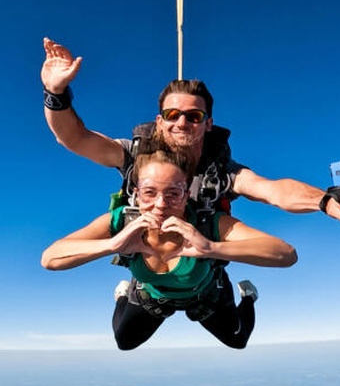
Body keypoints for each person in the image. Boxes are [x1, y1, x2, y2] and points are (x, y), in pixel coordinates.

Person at [41, 37, 340, 222]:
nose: (182, 122)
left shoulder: (222, 171)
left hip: (203, 263)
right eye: (172, 114)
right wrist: (56, 94)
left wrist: (326, 199)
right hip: (153, 263)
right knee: (127, 337)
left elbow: (273, 190)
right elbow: (73, 137)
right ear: (159, 121)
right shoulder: (134, 154)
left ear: (208, 123)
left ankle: (241, 296)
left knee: (234, 335)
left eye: (194, 116)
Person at [41, 142, 297, 350]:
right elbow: (50, 259)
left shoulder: (209, 224)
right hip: (153, 297)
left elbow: (286, 254)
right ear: (137, 194)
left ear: (186, 196)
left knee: (238, 341)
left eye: (173, 193)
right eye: (150, 193)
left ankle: (249, 297)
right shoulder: (121, 221)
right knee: (124, 341)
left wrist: (209, 247)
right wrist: (112, 244)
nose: (161, 204)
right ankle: (122, 295)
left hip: (206, 295)